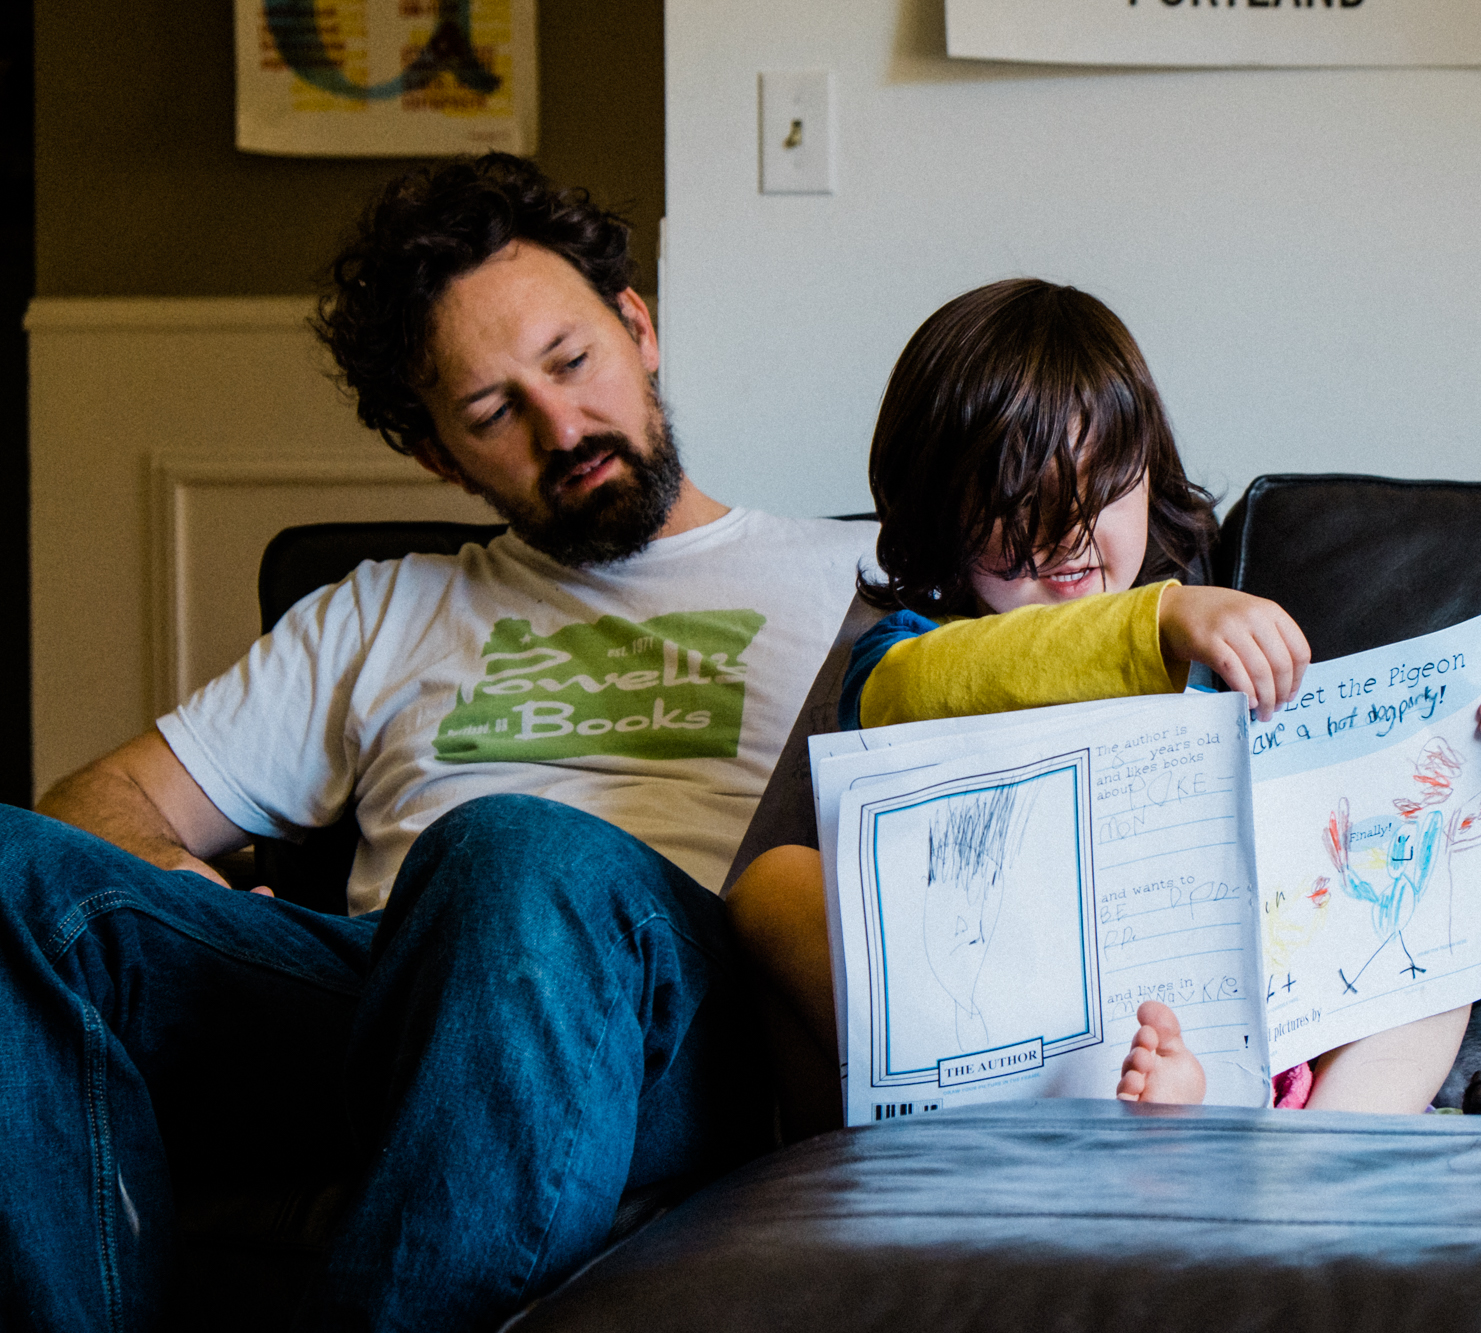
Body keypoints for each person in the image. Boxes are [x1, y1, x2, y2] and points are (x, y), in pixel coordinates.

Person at [0, 153, 875, 1332]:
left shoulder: (858, 585)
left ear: (637, 326)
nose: (560, 424)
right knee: (14, 870)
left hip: (665, 1018)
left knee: (515, 854)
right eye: (489, 412)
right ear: (433, 454)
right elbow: (95, 801)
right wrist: (190, 885)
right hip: (388, 999)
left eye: (571, 362)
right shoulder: (381, 609)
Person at [726, 277, 1481, 1122]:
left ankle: (1312, 1158)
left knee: (1435, 980)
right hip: (1006, 1025)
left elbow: (1355, 839)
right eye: (1021, 492)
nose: (1068, 526)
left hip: (1222, 1038)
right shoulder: (902, 655)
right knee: (773, 886)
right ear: (938, 508)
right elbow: (927, 689)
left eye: (1105, 484)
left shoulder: (1209, 669)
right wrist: (1158, 619)